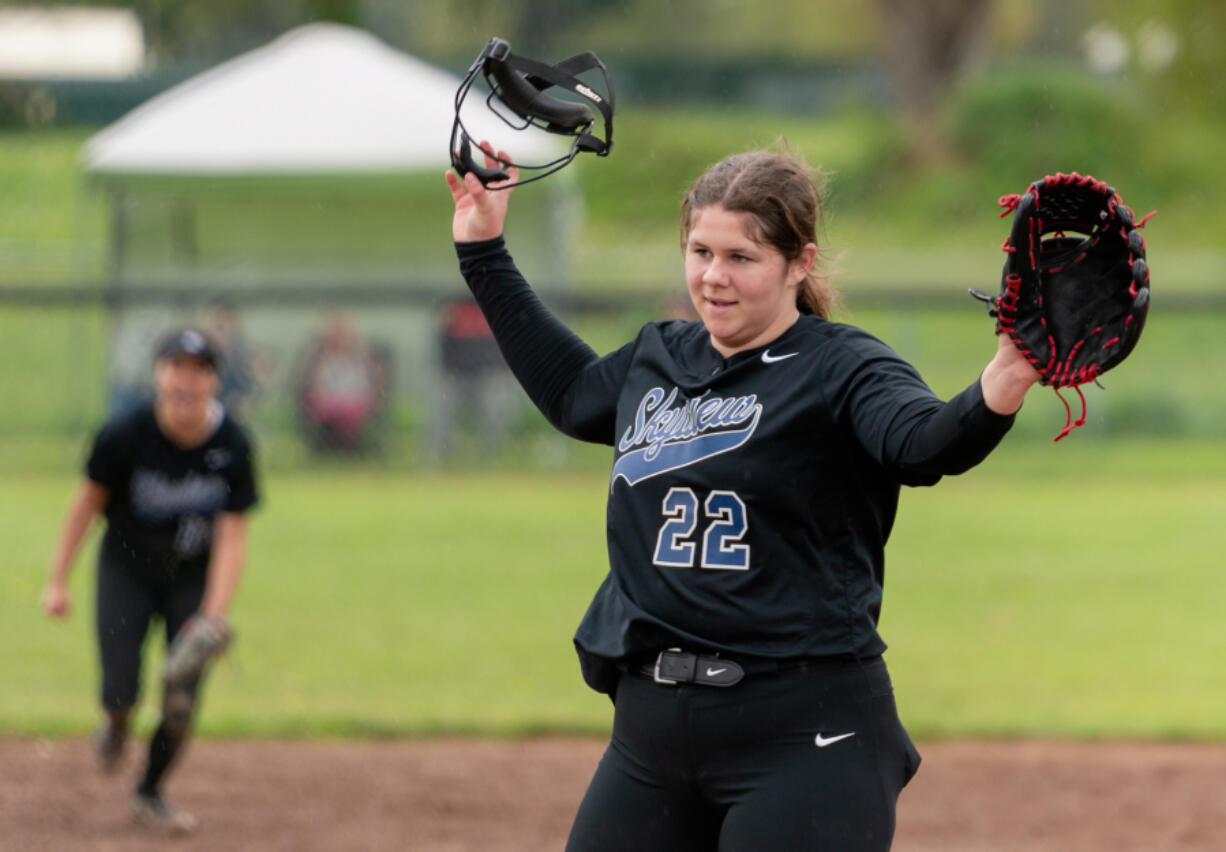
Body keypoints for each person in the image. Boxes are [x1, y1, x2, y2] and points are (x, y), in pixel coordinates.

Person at [445, 142, 1041, 851]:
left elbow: (922, 445)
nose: (713, 278)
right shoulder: (658, 357)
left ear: (801, 264)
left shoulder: (842, 366)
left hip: (805, 733)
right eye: (700, 251)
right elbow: (572, 395)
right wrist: (483, 248)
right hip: (651, 737)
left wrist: (1002, 383)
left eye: (741, 258)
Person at [41, 327, 259, 834]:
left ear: (215, 381)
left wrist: (215, 613)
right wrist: (58, 581)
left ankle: (150, 791)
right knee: (121, 691)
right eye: (176, 367)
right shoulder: (124, 434)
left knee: (181, 699)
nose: (186, 380)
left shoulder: (232, 444)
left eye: (199, 370)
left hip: (189, 578)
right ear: (159, 375)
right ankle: (116, 723)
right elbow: (85, 508)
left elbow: (232, 537)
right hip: (126, 571)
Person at [296, 312, 387, 453]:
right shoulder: (319, 358)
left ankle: (350, 445)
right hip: (326, 402)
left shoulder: (361, 357)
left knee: (352, 411)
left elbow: (368, 384)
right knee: (326, 408)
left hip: (356, 402)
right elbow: (313, 384)